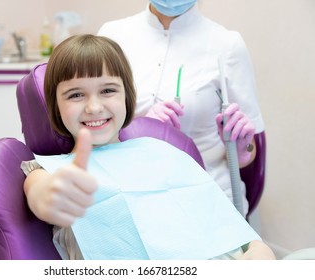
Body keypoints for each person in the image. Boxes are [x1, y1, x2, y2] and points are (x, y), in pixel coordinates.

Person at [21, 34, 275, 260]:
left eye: (108, 90)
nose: (94, 107)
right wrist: (50, 194)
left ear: (126, 97)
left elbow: (223, 221)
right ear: (56, 106)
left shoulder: (162, 150)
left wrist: (258, 249)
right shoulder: (47, 169)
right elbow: (40, 194)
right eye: (76, 95)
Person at [98, 0, 264, 215]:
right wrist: (139, 128)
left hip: (206, 191)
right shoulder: (112, 35)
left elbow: (250, 150)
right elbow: (91, 121)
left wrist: (242, 149)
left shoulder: (227, 44)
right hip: (129, 186)